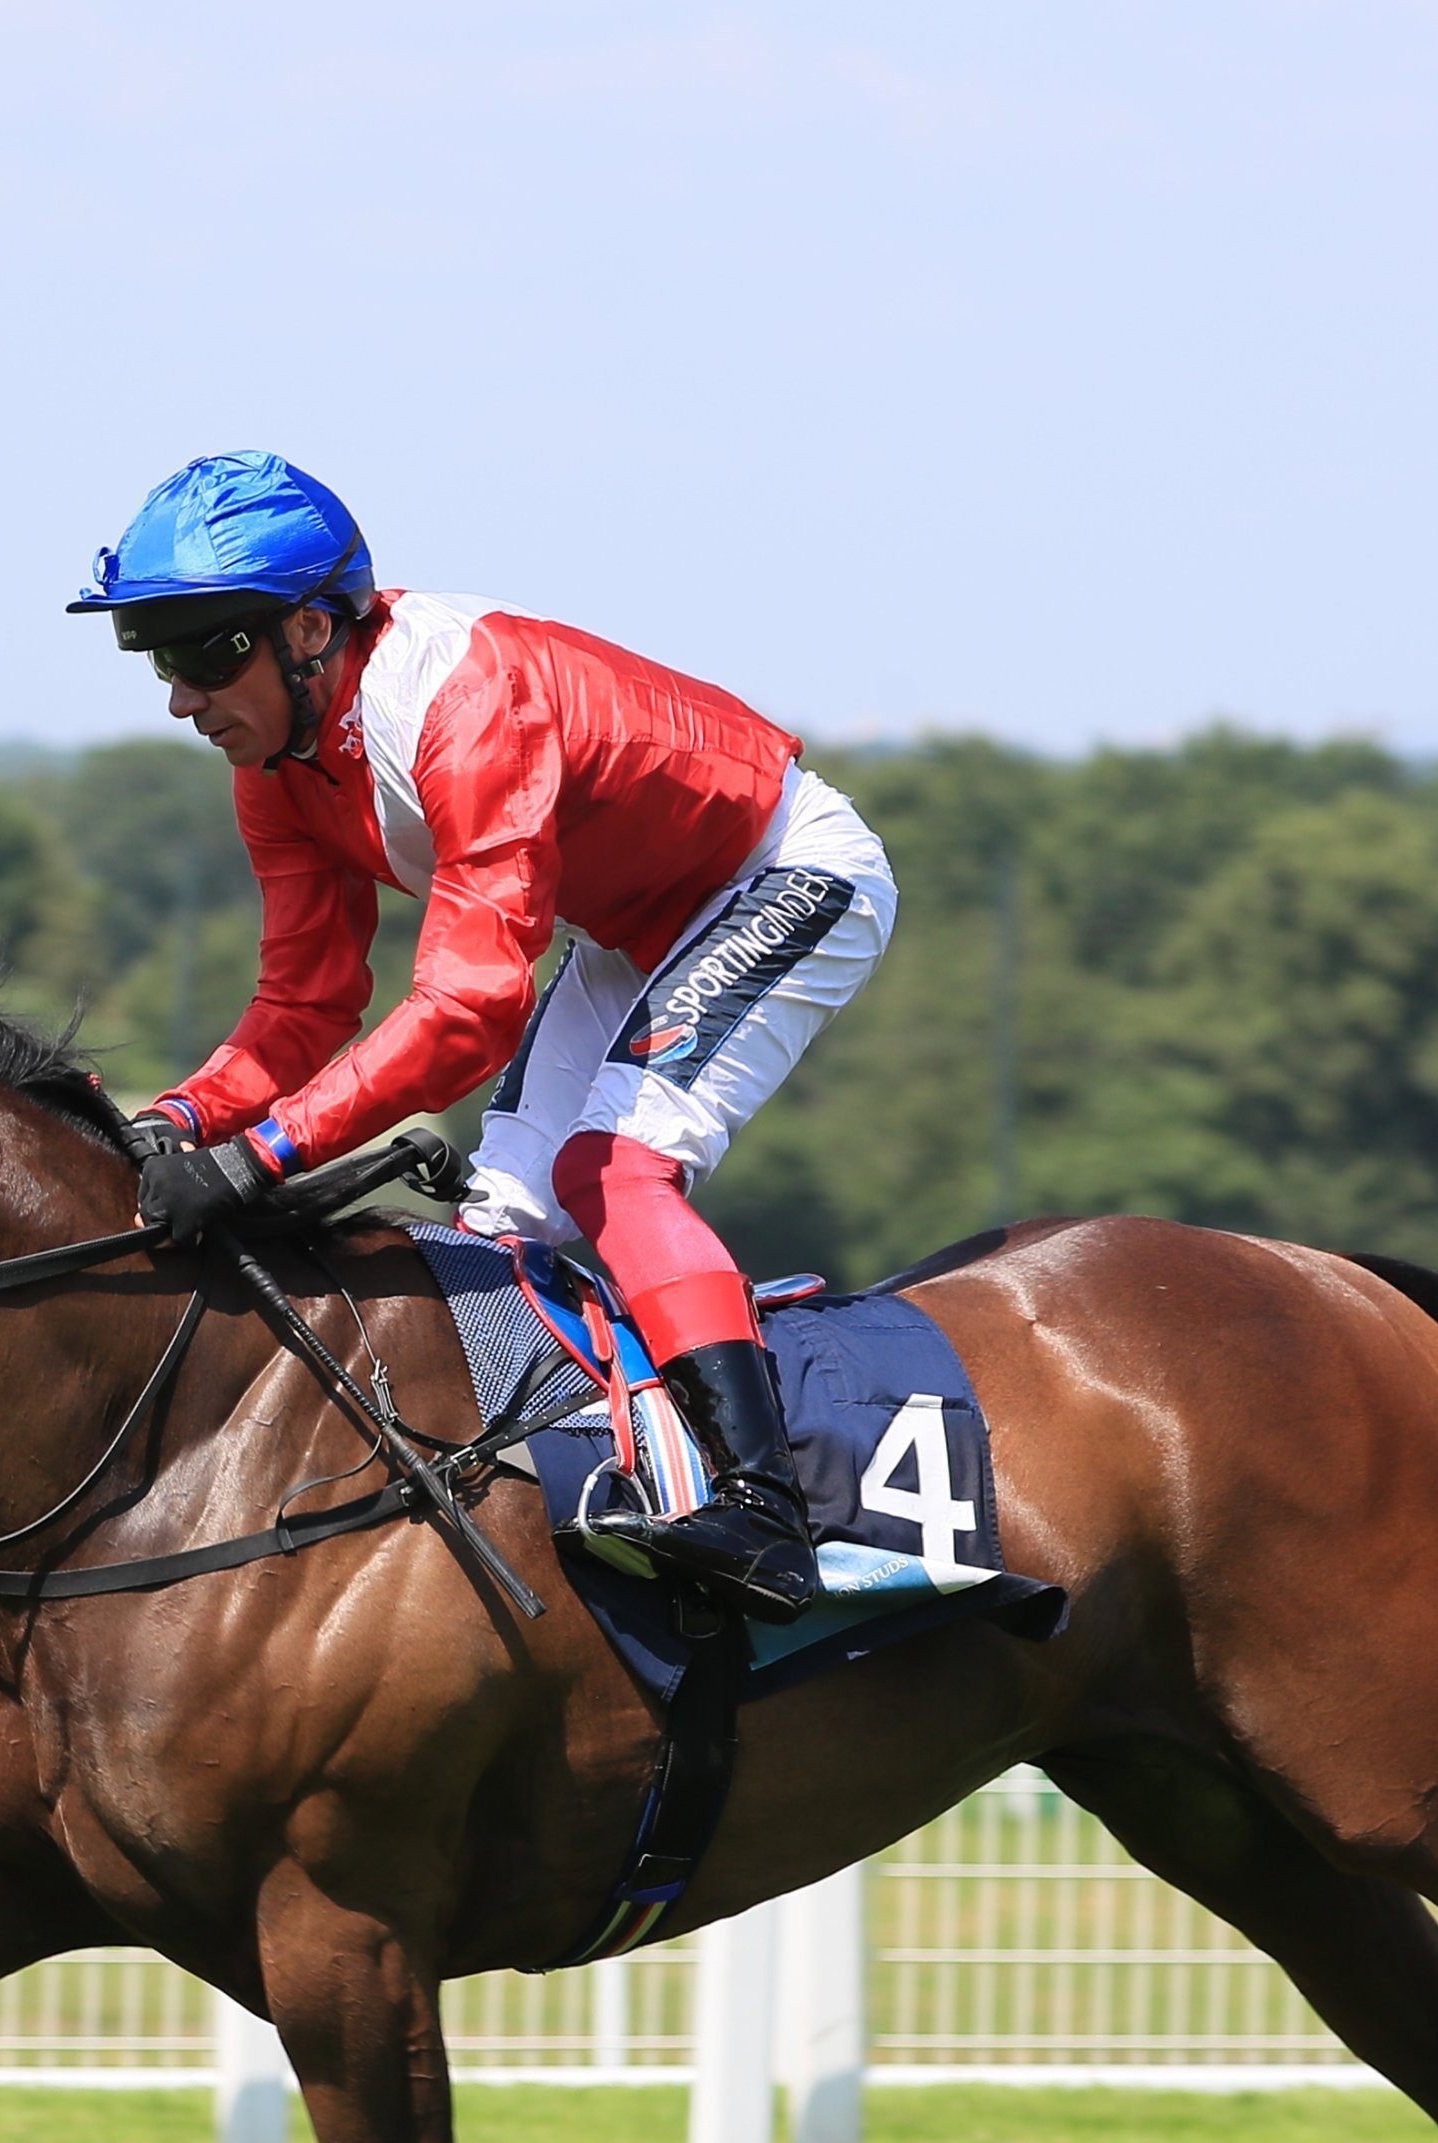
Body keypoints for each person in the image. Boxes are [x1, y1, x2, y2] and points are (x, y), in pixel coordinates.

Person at [77, 451, 897, 1623]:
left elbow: (469, 1009)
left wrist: (258, 1160)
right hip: (631, 929)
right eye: (159, 658)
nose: (180, 698)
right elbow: (304, 1009)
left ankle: (768, 1512)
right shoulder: (278, 768)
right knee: (497, 1226)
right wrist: (176, 1121)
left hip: (785, 870)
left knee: (607, 1168)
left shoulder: (466, 699)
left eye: (209, 654)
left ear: (311, 632)